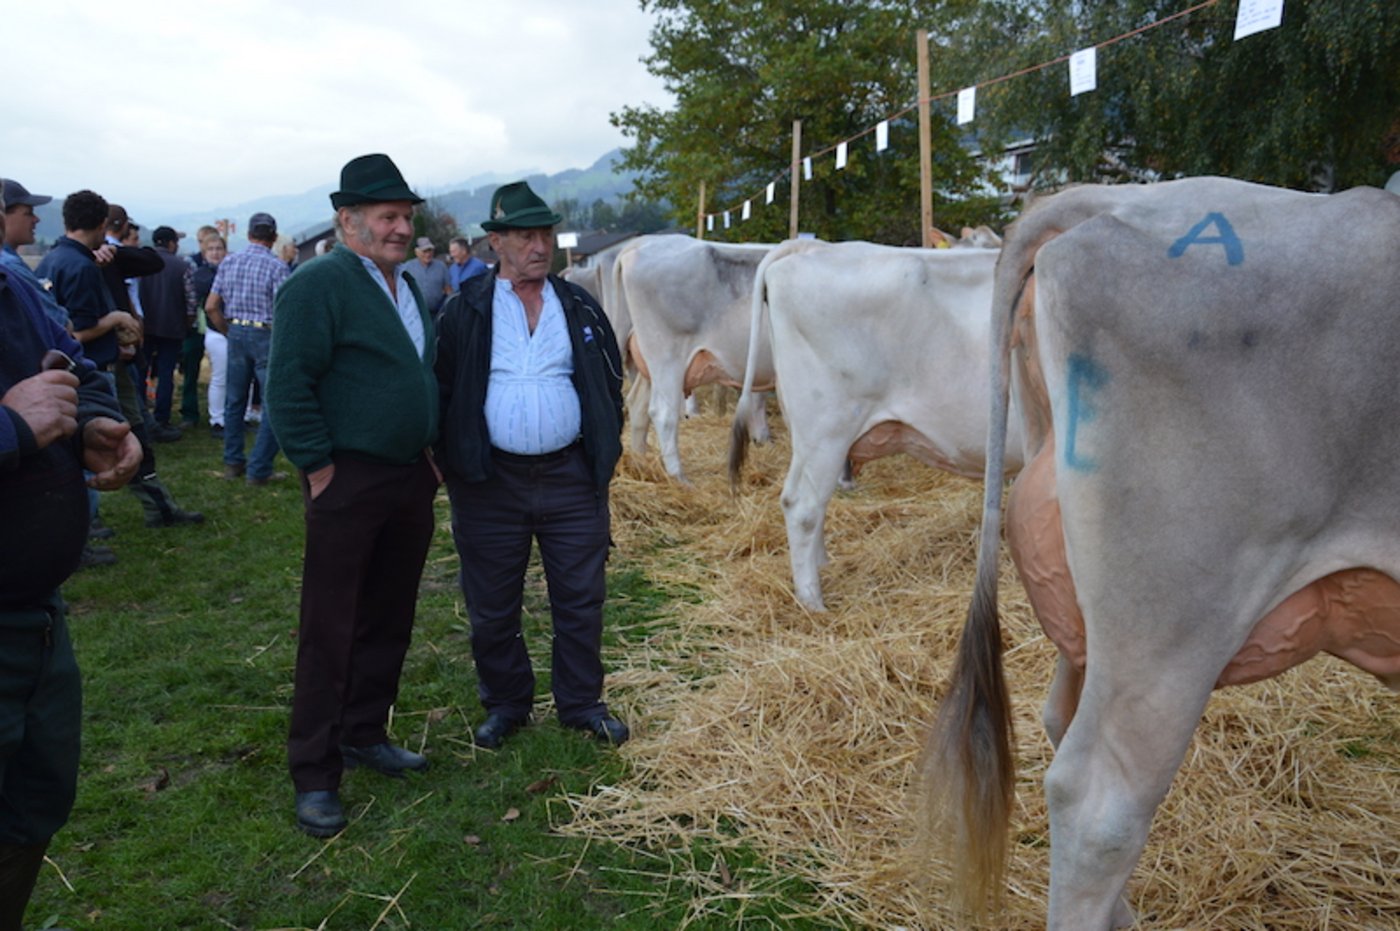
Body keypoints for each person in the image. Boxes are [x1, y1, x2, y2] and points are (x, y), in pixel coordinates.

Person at [266, 153, 441, 838]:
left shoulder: (405, 285)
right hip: (348, 477)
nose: (402, 228)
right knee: (330, 625)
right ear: (349, 220)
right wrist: (317, 466)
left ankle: (365, 730)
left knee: (389, 614)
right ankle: (314, 771)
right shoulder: (319, 283)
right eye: (388, 216)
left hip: (406, 476)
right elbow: (288, 384)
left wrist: (428, 457)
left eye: (406, 216)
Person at [436, 180, 628, 750]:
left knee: (580, 596)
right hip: (490, 481)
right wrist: (458, 464)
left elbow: (607, 381)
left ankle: (581, 703)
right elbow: (443, 390)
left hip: (570, 477)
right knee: (492, 604)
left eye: (544, 234)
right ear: (496, 242)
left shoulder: (578, 304)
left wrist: (604, 448)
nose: (539, 246)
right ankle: (506, 703)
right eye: (525, 235)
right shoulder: (465, 308)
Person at [0, 184, 142, 929]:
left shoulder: (13, 283)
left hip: (37, 620)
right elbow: (20, 416)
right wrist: (11, 427)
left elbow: (76, 371)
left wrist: (100, 425)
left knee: (36, 802)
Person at [37, 190, 202, 529]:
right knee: (121, 439)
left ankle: (152, 509)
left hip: (74, 371)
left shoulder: (50, 260)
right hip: (96, 370)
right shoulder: (82, 267)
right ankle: (101, 522)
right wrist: (115, 320)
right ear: (101, 225)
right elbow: (75, 333)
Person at [205, 212, 289, 486]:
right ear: (273, 238)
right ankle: (259, 467)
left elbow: (210, 306)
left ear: (250, 235)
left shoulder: (229, 262)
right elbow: (284, 310)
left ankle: (232, 461)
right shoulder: (277, 267)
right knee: (273, 403)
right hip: (266, 333)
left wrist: (229, 332)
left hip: (237, 330)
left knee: (234, 400)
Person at [136, 226, 196, 433]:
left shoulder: (139, 264)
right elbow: (191, 301)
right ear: (171, 243)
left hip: (143, 327)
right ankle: (162, 418)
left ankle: (139, 415)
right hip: (172, 327)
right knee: (165, 373)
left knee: (140, 372)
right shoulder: (182, 266)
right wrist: (188, 323)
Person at [191, 232, 228, 437]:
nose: (215, 253)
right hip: (216, 331)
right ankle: (217, 419)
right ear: (204, 253)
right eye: (211, 249)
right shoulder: (202, 275)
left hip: (235, 329)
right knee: (220, 377)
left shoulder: (231, 270)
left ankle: (239, 415)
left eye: (219, 249)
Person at [398, 236, 450, 317]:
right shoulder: (408, 267)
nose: (428, 254)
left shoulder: (441, 266)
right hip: (415, 314)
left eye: (430, 250)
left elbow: (448, 289)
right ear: (417, 252)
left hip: (437, 313)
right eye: (424, 251)